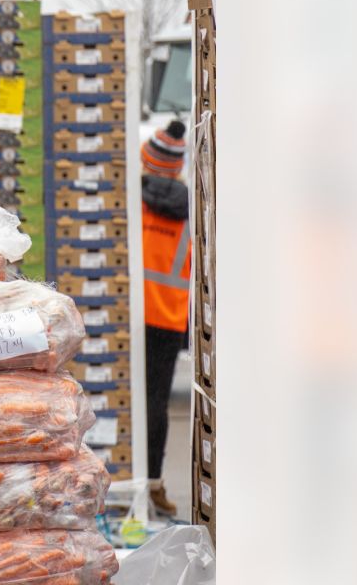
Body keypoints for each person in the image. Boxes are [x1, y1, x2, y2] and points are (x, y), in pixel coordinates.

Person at [140, 120, 191, 518]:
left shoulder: (131, 201)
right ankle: (154, 484)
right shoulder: (191, 211)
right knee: (157, 403)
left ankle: (124, 477)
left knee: (126, 399)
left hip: (132, 313)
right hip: (168, 318)